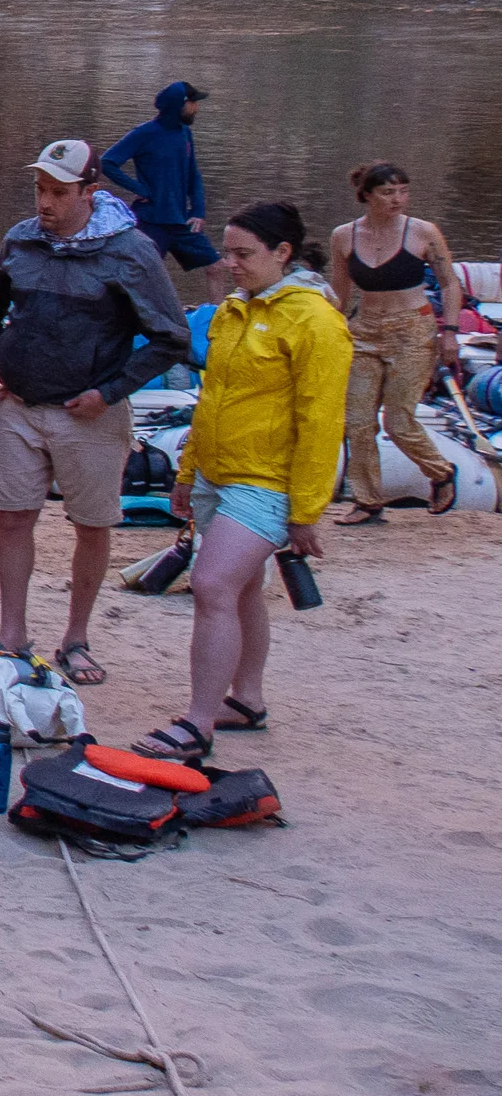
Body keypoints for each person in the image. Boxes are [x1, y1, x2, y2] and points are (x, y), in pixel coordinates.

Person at [0, 142, 188, 685]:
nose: (44, 203)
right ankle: (11, 636)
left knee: (91, 524)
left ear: (91, 193)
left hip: (88, 412)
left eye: (58, 193)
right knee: (13, 516)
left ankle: (77, 638)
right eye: (40, 190)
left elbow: (171, 337)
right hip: (17, 403)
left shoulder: (130, 251)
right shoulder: (21, 239)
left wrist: (110, 392)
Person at [132, 202, 347, 766]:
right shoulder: (234, 310)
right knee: (243, 588)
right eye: (227, 252)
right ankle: (246, 700)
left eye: (242, 254)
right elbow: (212, 399)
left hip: (268, 480)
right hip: (217, 473)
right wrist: (187, 472)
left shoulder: (317, 321)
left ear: (283, 255)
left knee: (212, 586)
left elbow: (322, 422)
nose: (229, 264)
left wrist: (306, 510)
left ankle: (198, 723)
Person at [328, 161, 464, 523]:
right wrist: (331, 328)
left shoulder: (423, 232)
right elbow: (340, 293)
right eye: (388, 192)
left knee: (399, 421)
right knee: (357, 420)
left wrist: (450, 331)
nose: (397, 199)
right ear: (367, 196)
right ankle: (367, 500)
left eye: (403, 191)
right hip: (365, 330)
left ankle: (441, 472)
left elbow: (450, 283)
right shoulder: (344, 235)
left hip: (413, 329)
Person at [101, 82, 217, 274]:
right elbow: (107, 162)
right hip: (150, 220)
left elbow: (193, 174)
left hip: (181, 221)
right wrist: (139, 189)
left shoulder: (185, 133)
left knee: (216, 267)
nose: (197, 108)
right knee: (142, 273)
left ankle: (220, 306)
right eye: (193, 103)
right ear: (180, 104)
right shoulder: (144, 133)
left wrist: (198, 210)